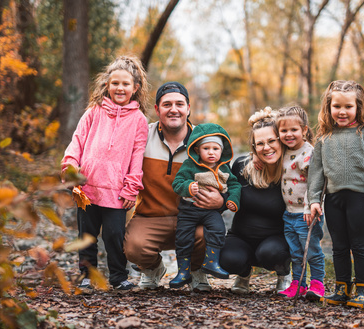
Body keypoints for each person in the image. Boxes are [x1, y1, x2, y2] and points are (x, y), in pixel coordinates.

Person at [124, 82, 226, 292]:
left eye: (179, 104)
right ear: (157, 109)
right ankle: (153, 269)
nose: (173, 109)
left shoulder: (204, 140)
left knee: (211, 232)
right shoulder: (143, 135)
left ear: (188, 108)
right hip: (150, 216)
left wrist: (222, 202)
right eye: (167, 104)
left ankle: (197, 271)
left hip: (193, 216)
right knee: (134, 247)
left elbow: (227, 180)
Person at [61, 55, 150, 293]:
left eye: (125, 84)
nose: (120, 88)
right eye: (115, 83)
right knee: (87, 234)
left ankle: (119, 277)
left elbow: (136, 156)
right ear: (107, 85)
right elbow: (77, 142)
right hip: (86, 188)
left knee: (114, 235)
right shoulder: (94, 112)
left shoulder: (139, 120)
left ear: (135, 88)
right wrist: (70, 168)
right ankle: (87, 275)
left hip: (117, 191)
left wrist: (131, 187)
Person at [308, 80, 364, 308]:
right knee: (339, 246)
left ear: (358, 107)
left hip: (359, 200)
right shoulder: (324, 138)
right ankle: (341, 288)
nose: (342, 112)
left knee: (359, 245)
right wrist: (314, 200)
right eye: (337, 106)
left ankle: (362, 290)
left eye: (348, 107)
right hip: (333, 200)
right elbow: (316, 173)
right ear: (329, 107)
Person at [219, 107, 292, 295]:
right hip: (241, 236)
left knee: (270, 254)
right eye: (260, 144)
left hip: (275, 241)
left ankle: (284, 274)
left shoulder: (293, 169)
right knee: (227, 259)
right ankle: (243, 274)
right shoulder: (242, 166)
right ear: (253, 147)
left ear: (281, 141)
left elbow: (308, 147)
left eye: (271, 141)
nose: (266, 147)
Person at [170, 123, 241, 288]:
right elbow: (177, 183)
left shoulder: (224, 168)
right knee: (183, 237)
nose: (211, 152)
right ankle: (183, 272)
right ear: (197, 150)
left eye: (215, 149)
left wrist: (232, 200)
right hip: (189, 210)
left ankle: (212, 262)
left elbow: (235, 185)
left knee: (218, 229)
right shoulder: (190, 165)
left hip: (211, 211)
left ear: (221, 151)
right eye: (206, 148)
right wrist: (188, 186)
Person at [273, 105, 326, 301]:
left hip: (307, 213)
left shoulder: (309, 153)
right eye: (284, 130)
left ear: (304, 130)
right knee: (295, 252)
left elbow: (316, 184)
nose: (289, 134)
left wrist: (308, 207)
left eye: (294, 130)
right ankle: (299, 284)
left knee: (311, 250)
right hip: (289, 213)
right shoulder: (283, 151)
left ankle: (318, 284)